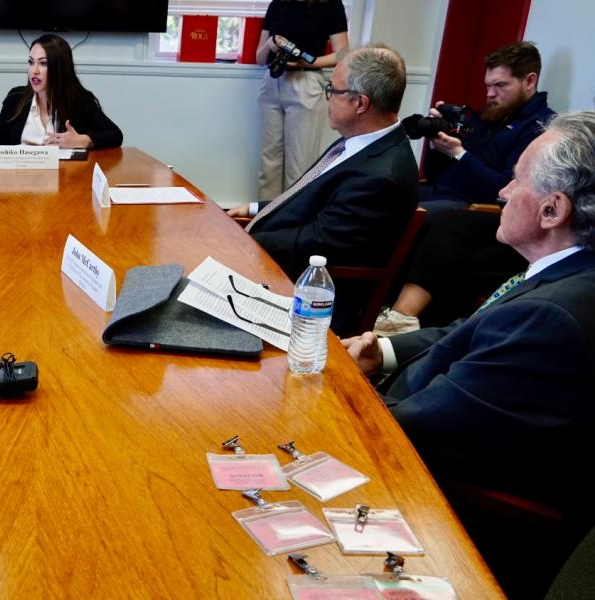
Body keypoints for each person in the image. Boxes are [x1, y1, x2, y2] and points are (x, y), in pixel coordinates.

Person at [342, 111, 595, 597]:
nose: (501, 192)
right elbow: (475, 331)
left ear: (552, 210)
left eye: (516, 180)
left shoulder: (551, 316)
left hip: (461, 508)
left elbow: (422, 427)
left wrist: (341, 396)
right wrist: (385, 352)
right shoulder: (565, 277)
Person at [375, 41, 555, 334]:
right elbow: (438, 175)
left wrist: (460, 154)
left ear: (530, 80)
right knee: (385, 193)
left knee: (436, 217)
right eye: (488, 85)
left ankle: (398, 318)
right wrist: (439, 145)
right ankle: (367, 297)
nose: (490, 94)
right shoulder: (488, 117)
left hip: (480, 210)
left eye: (500, 86)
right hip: (444, 195)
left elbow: (504, 189)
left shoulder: (539, 128)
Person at [229, 44, 418, 281]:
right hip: (279, 257)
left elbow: (318, 241)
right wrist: (256, 208)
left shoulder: (380, 177)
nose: (327, 97)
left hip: (306, 289)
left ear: (360, 103)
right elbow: (312, 198)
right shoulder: (360, 142)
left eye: (333, 90)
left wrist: (244, 241)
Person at [0, 34, 122, 149]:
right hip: (19, 184)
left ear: (60, 68)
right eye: (31, 62)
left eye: (43, 63)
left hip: (65, 186)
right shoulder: (16, 98)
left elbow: (115, 135)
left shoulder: (79, 101)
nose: (34, 71)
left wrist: (83, 141)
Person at [256, 0, 349, 201]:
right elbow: (260, 58)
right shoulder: (277, 4)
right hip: (272, 82)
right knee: (268, 163)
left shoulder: (330, 5)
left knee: (299, 166)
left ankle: (292, 224)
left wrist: (309, 60)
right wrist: (271, 44)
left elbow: (342, 53)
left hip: (306, 81)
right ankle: (264, 222)